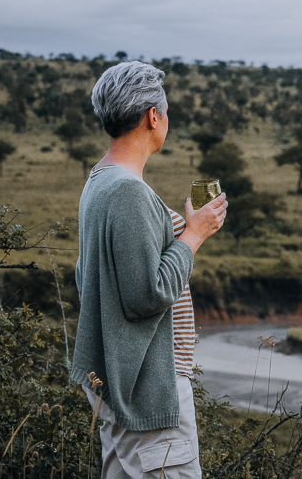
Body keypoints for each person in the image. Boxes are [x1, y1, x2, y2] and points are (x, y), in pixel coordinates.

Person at [70, 61, 227, 478]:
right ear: (152, 116)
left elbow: (88, 277)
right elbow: (145, 295)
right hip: (147, 387)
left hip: (123, 380)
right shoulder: (127, 192)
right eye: (166, 111)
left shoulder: (99, 180)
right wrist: (193, 236)